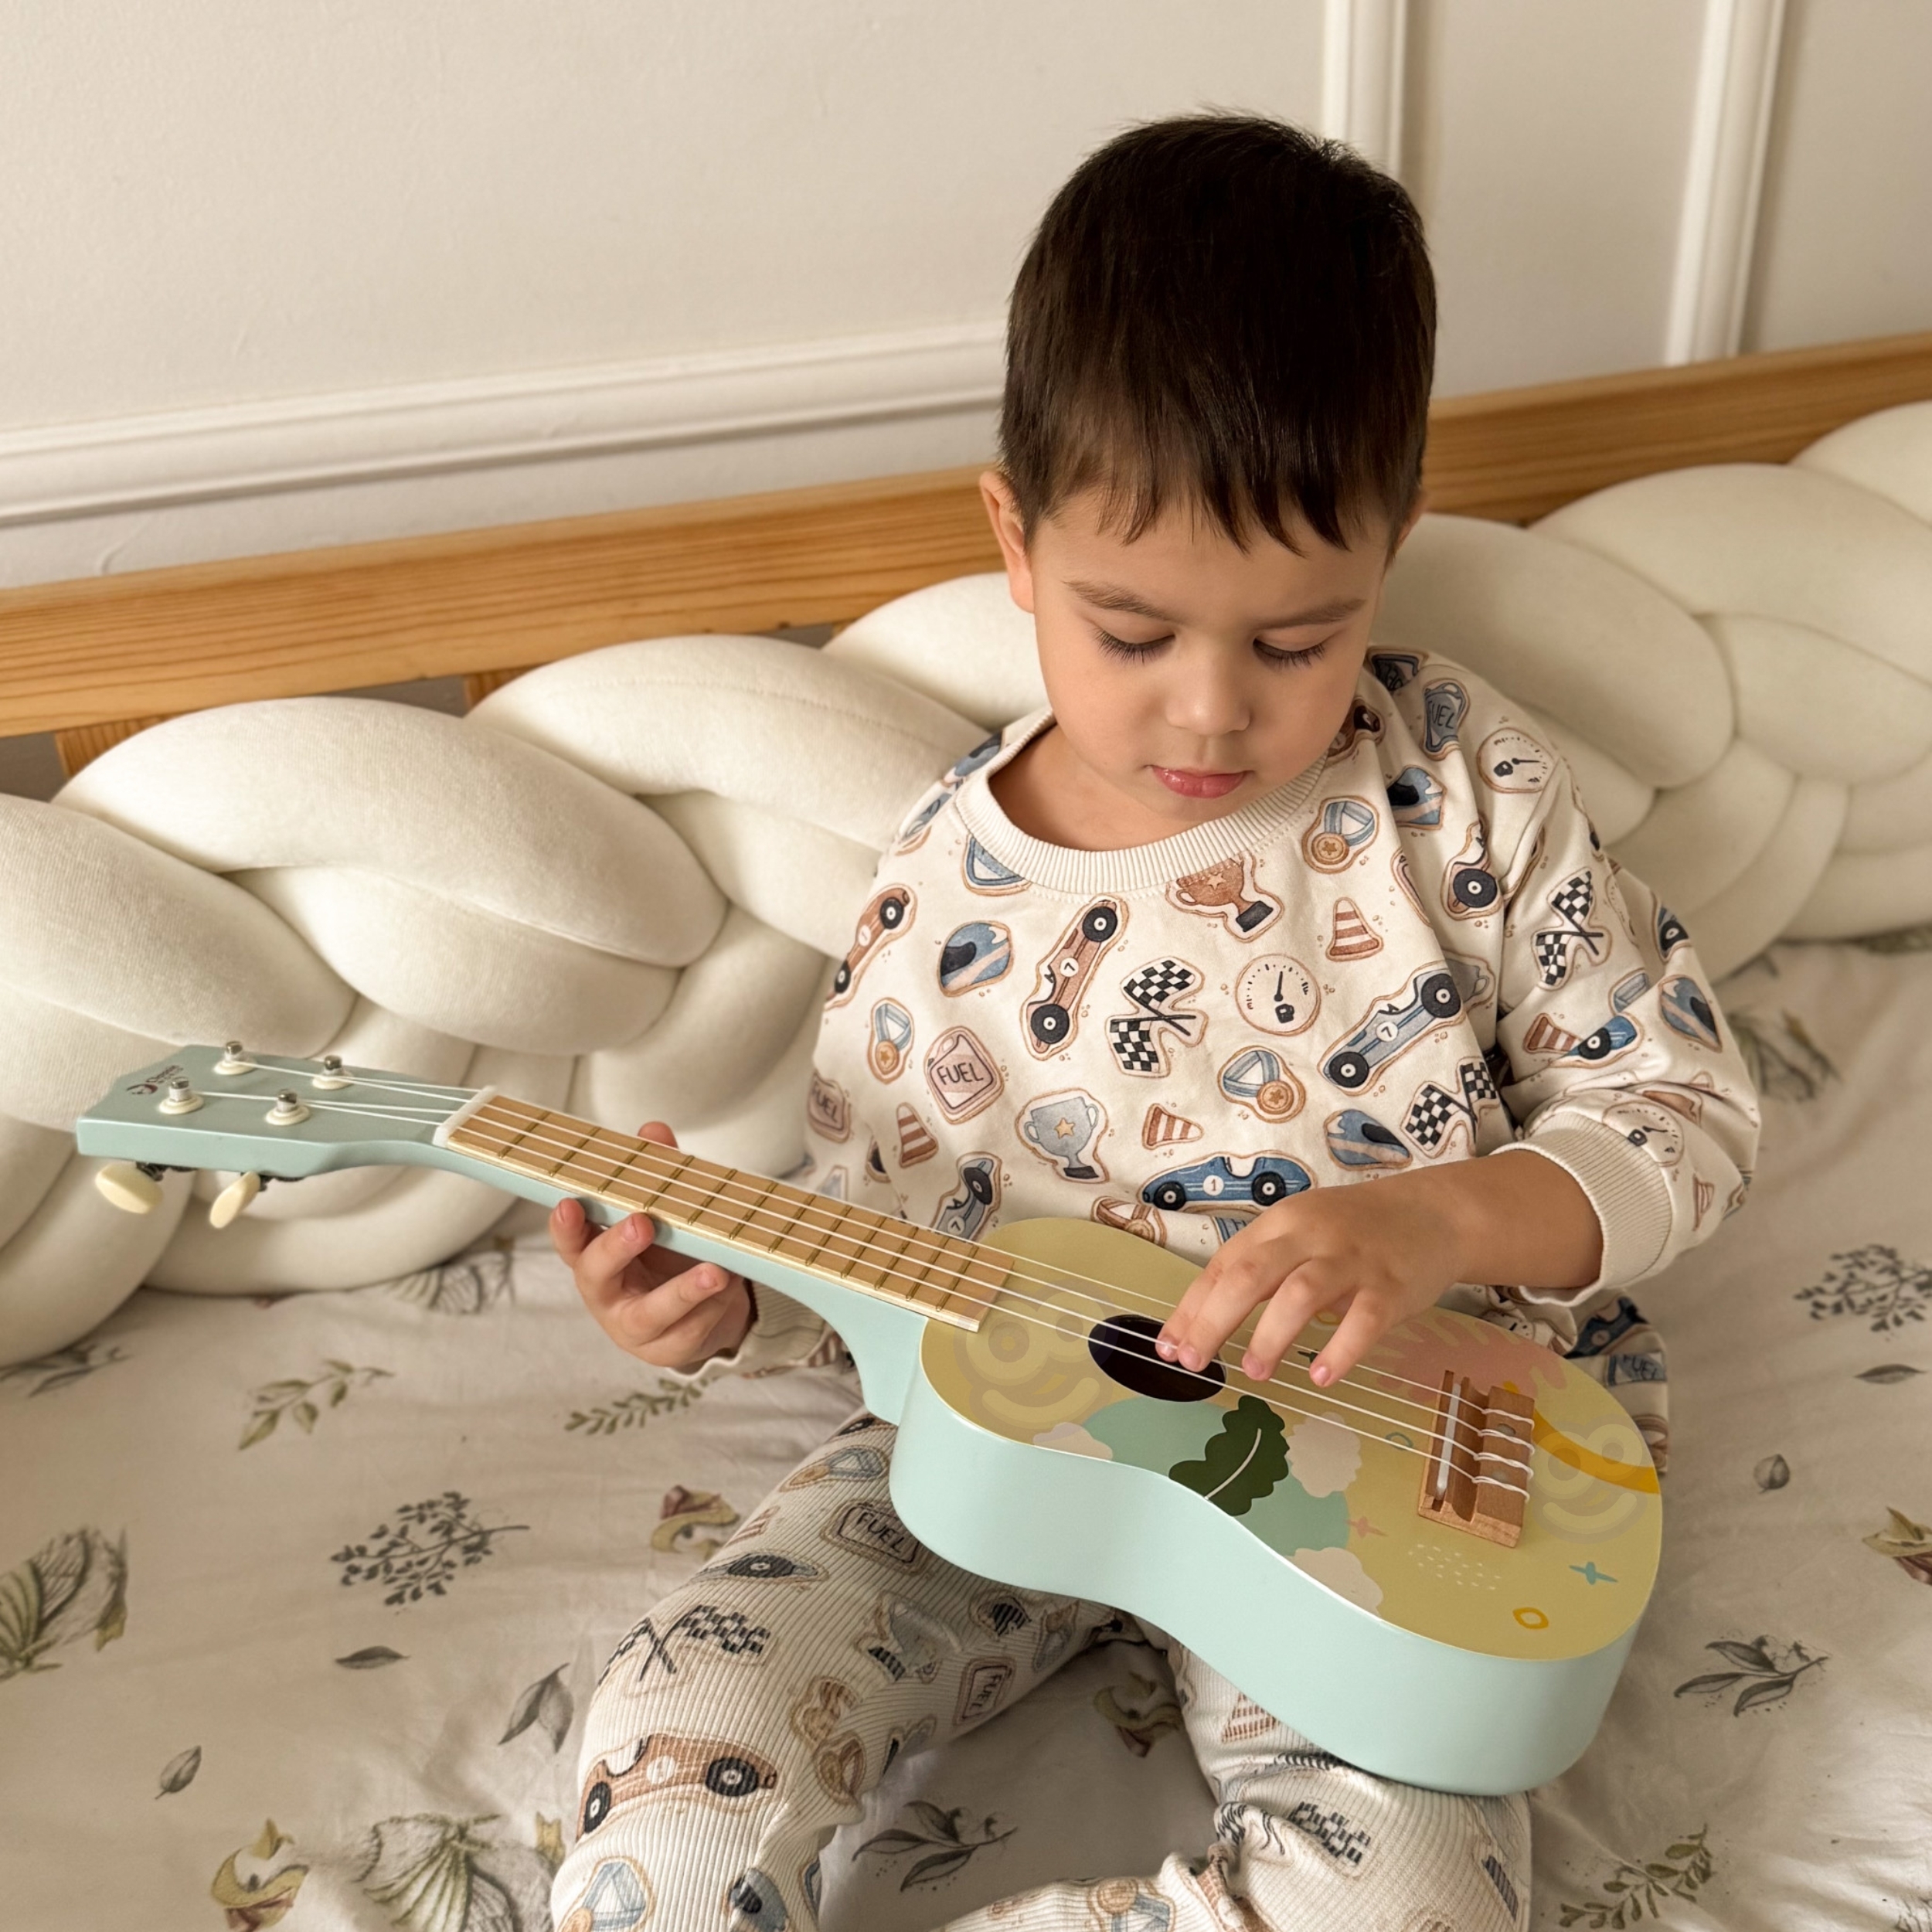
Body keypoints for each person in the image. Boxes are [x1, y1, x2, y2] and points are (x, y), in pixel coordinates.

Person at [546, 114, 1760, 1932]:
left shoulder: (1460, 791)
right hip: (995, 1443)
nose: (1209, 712)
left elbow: (1679, 1109)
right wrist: (726, 1300)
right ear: (1013, 541)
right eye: (1128, 631)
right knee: (670, 1736)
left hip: (1404, 1458)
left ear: (1390, 541)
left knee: (1406, 1906)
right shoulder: (932, 875)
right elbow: (877, 1245)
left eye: (1294, 641)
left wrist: (1433, 1218)